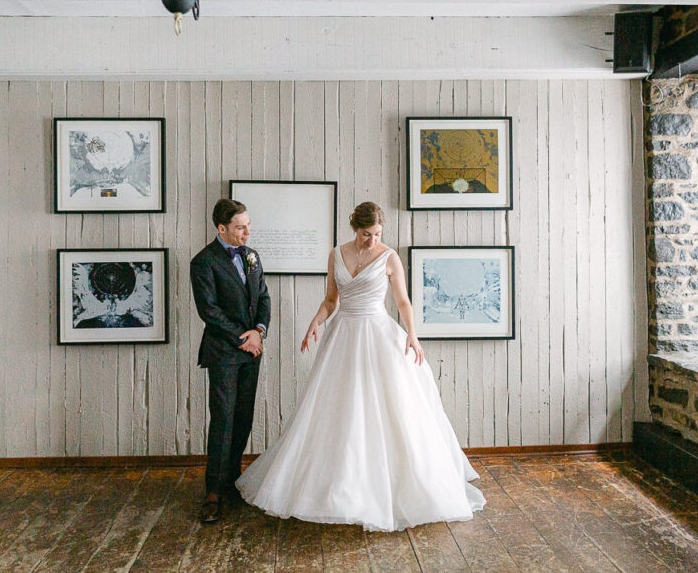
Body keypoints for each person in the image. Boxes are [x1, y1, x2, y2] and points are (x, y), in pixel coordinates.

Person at [236, 202, 485, 531]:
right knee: (337, 410)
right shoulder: (336, 254)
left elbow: (402, 302)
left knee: (389, 411)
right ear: (355, 228)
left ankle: (392, 489)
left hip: (378, 336)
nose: (372, 240)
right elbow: (331, 300)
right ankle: (335, 489)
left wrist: (412, 334)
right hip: (342, 335)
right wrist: (315, 323)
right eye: (367, 234)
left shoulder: (389, 256)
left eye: (378, 234)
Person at [190, 198, 271, 524]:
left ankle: (232, 481)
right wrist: (245, 337)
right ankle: (213, 492)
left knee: (243, 417)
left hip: (252, 351)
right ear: (221, 228)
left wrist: (260, 331)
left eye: (248, 225)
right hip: (225, 352)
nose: (247, 231)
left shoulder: (252, 257)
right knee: (222, 420)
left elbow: (263, 297)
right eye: (240, 227)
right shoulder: (203, 262)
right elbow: (209, 311)